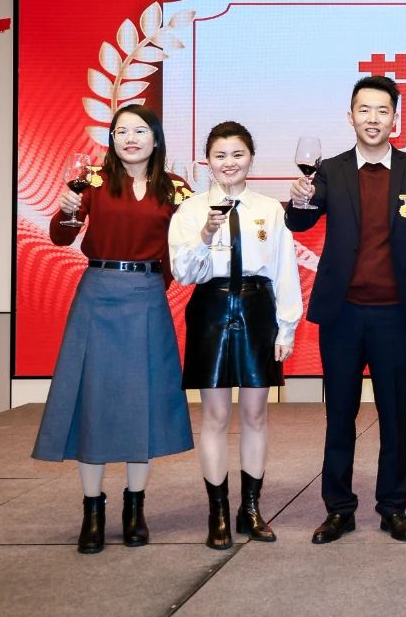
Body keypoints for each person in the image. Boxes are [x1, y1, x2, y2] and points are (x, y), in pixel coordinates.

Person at [286, 76, 406, 544]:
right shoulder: (330, 171)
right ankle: (339, 509)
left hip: (396, 314)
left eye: (382, 111)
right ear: (350, 116)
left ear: (395, 118)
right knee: (339, 414)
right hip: (342, 314)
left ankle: (394, 507)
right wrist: (298, 201)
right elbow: (300, 220)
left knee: (395, 415)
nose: (373, 119)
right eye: (364, 110)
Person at [31, 105, 194, 554]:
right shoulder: (92, 181)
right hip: (98, 294)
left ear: (156, 138)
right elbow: (61, 237)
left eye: (140, 130)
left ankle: (134, 509)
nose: (130, 138)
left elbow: (188, 244)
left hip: (146, 296)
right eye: (121, 131)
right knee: (93, 399)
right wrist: (65, 211)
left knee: (144, 400)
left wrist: (158, 280)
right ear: (112, 140)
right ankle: (93, 509)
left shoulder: (175, 188)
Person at [169, 121, 302, 549]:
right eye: (220, 156)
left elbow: (284, 270)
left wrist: (287, 327)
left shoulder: (270, 209)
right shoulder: (191, 209)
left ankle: (251, 509)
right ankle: (218, 513)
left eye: (238, 154)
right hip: (211, 308)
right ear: (207, 162)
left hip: (258, 308)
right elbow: (183, 273)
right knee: (214, 416)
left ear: (251, 159)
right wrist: (206, 234)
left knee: (256, 414)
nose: (229, 163)